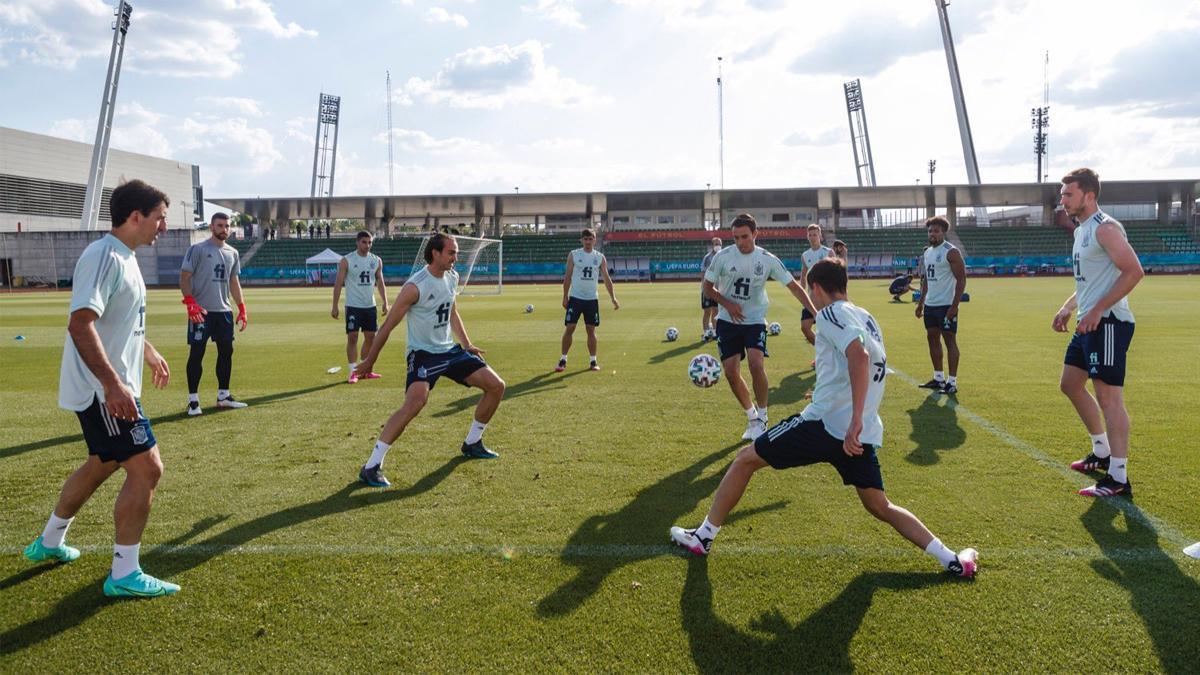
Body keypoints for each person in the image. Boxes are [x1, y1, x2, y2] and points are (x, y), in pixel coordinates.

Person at [671, 258, 978, 578]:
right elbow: (867, 363)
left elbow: (858, 356)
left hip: (828, 425)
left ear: (816, 288)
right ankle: (953, 560)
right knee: (879, 505)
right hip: (857, 434)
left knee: (746, 459)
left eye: (809, 290)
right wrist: (844, 403)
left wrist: (853, 417)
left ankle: (703, 537)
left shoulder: (829, 313)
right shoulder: (865, 316)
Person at [23, 179, 181, 597]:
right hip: (104, 391)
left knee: (102, 464)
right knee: (148, 468)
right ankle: (124, 574)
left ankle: (49, 542)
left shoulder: (125, 257)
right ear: (135, 216)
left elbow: (115, 320)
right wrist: (112, 385)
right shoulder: (104, 255)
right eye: (160, 218)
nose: (163, 227)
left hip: (112, 386)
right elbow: (80, 323)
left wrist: (146, 350)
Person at [354, 233, 507, 487]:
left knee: (496, 386)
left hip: (450, 351)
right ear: (435, 253)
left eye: (456, 253)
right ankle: (372, 466)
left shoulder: (452, 277)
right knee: (415, 403)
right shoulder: (415, 287)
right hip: (423, 354)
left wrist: (467, 343)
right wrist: (370, 360)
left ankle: (472, 442)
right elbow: (387, 327)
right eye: (451, 253)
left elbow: (452, 311)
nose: (456, 258)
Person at [1054, 168, 1143, 498]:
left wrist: (1096, 310)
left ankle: (1118, 477)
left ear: (1089, 195)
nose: (1062, 200)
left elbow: (1134, 271)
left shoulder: (1105, 228)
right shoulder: (1081, 231)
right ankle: (1101, 451)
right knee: (1070, 384)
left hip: (1108, 323)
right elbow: (1091, 281)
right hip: (1089, 321)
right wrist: (1068, 306)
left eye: (1068, 194)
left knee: (1109, 398)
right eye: (1062, 194)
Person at [704, 213, 815, 441]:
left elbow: (794, 286)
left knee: (756, 364)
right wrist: (727, 303)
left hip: (755, 319)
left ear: (755, 234)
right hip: (727, 320)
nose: (740, 242)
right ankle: (752, 416)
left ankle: (763, 417)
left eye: (745, 236)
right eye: (736, 237)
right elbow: (707, 287)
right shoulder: (723, 257)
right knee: (731, 372)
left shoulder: (767, 259)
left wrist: (816, 312)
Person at [181, 212, 249, 415]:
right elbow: (184, 278)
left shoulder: (233, 253)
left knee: (226, 352)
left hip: (224, 311)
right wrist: (190, 303)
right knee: (197, 353)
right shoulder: (198, 249)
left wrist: (242, 307)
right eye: (220, 225)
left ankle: (224, 396)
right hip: (201, 311)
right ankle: (193, 401)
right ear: (211, 227)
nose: (224, 229)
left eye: (227, 226)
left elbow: (233, 282)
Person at [555, 228, 619, 372]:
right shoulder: (574, 255)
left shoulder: (600, 257)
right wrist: (565, 296)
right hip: (576, 298)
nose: (588, 242)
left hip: (591, 299)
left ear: (595, 240)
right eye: (585, 239)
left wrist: (613, 298)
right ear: (581, 240)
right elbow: (567, 276)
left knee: (591, 330)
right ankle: (563, 359)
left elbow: (607, 278)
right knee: (570, 327)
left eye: (591, 239)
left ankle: (593, 361)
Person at [915, 216, 966, 394]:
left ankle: (952, 382)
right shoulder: (927, 252)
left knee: (949, 340)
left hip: (946, 305)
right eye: (930, 231)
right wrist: (921, 303)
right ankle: (938, 378)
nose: (932, 234)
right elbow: (927, 280)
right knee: (932, 338)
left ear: (943, 232)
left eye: (936, 231)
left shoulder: (951, 252)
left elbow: (961, 279)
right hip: (930, 305)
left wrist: (954, 306)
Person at [332, 231, 389, 384]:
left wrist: (385, 301)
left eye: (370, 242)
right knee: (353, 337)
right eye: (364, 242)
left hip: (370, 306)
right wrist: (335, 305)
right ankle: (353, 372)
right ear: (357, 242)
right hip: (353, 306)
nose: (367, 245)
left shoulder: (376, 260)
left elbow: (380, 282)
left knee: (371, 339)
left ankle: (365, 370)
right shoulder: (347, 260)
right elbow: (338, 283)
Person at [799, 224, 833, 356]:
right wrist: (802, 293)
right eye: (810, 235)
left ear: (820, 236)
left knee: (827, 329)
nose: (813, 237)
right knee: (805, 328)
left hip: (826, 299)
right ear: (807, 237)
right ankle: (822, 353)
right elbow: (803, 275)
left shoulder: (828, 252)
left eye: (815, 234)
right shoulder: (805, 255)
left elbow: (835, 273)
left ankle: (832, 355)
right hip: (811, 298)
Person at [699, 237, 722, 340]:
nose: (717, 245)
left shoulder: (723, 257)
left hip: (718, 289)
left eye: (719, 244)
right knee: (707, 311)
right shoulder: (707, 258)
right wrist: (704, 287)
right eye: (716, 244)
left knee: (716, 311)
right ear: (712, 245)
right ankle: (705, 333)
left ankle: (714, 332)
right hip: (708, 288)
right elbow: (703, 273)